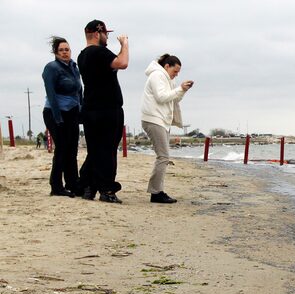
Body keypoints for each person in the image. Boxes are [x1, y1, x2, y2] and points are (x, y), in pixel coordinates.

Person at [77, 19, 128, 203]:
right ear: (98, 34)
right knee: (107, 150)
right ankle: (107, 190)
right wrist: (124, 44)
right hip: (107, 108)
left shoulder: (82, 55)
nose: (108, 38)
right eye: (106, 34)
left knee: (96, 150)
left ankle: (88, 186)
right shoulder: (98, 51)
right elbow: (122, 62)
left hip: (91, 108)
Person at [140, 54, 193, 203]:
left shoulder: (166, 78)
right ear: (167, 66)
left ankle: (157, 191)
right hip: (154, 119)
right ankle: (156, 192)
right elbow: (161, 97)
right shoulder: (157, 75)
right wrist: (179, 89)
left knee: (163, 156)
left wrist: (182, 90)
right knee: (163, 157)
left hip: (161, 120)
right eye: (175, 71)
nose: (176, 74)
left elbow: (173, 98)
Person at [42, 36, 82, 197]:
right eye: (61, 50)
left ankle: (73, 183)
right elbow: (50, 94)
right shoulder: (51, 68)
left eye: (67, 50)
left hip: (72, 112)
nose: (65, 53)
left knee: (72, 150)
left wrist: (82, 112)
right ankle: (56, 186)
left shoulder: (74, 67)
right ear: (55, 52)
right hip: (54, 112)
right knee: (62, 149)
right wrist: (58, 118)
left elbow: (80, 91)